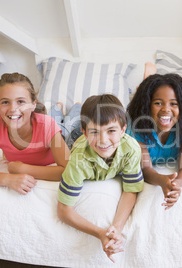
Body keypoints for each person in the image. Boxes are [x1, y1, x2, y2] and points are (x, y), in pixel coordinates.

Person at [57, 94, 143, 262]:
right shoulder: (78, 159)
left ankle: (75, 107)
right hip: (74, 138)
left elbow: (130, 190)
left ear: (123, 130)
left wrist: (116, 228)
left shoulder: (131, 148)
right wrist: (100, 233)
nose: (103, 140)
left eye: (111, 130)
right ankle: (61, 108)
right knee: (64, 128)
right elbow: (63, 210)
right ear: (85, 132)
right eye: (95, 132)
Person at [0, 73, 69, 195]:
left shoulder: (48, 125)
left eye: (20, 101)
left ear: (33, 104)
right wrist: (8, 179)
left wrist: (22, 169)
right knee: (55, 115)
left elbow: (69, 170)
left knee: (69, 124)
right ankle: (57, 107)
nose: (13, 109)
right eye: (5, 102)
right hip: (44, 121)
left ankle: (69, 107)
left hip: (63, 133)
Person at [126, 70, 182, 210]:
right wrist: (162, 180)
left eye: (174, 104)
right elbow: (146, 168)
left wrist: (176, 184)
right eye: (158, 103)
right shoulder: (137, 127)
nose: (166, 109)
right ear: (147, 105)